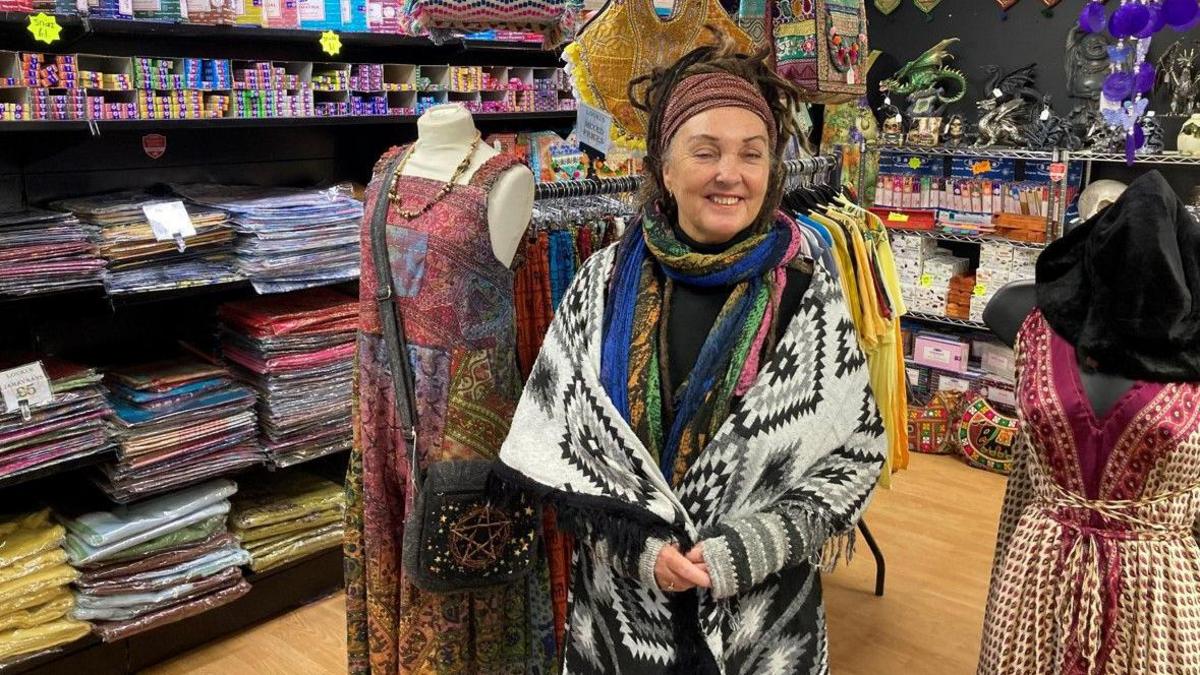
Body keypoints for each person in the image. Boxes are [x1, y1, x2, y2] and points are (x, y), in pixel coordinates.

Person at [494, 36, 887, 674]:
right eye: (705, 152)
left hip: (760, 627)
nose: (729, 174)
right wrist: (637, 547)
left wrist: (749, 547)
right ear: (665, 168)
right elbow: (553, 447)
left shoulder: (809, 295)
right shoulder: (601, 286)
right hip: (621, 623)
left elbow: (854, 460)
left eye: (751, 155)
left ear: (771, 171)